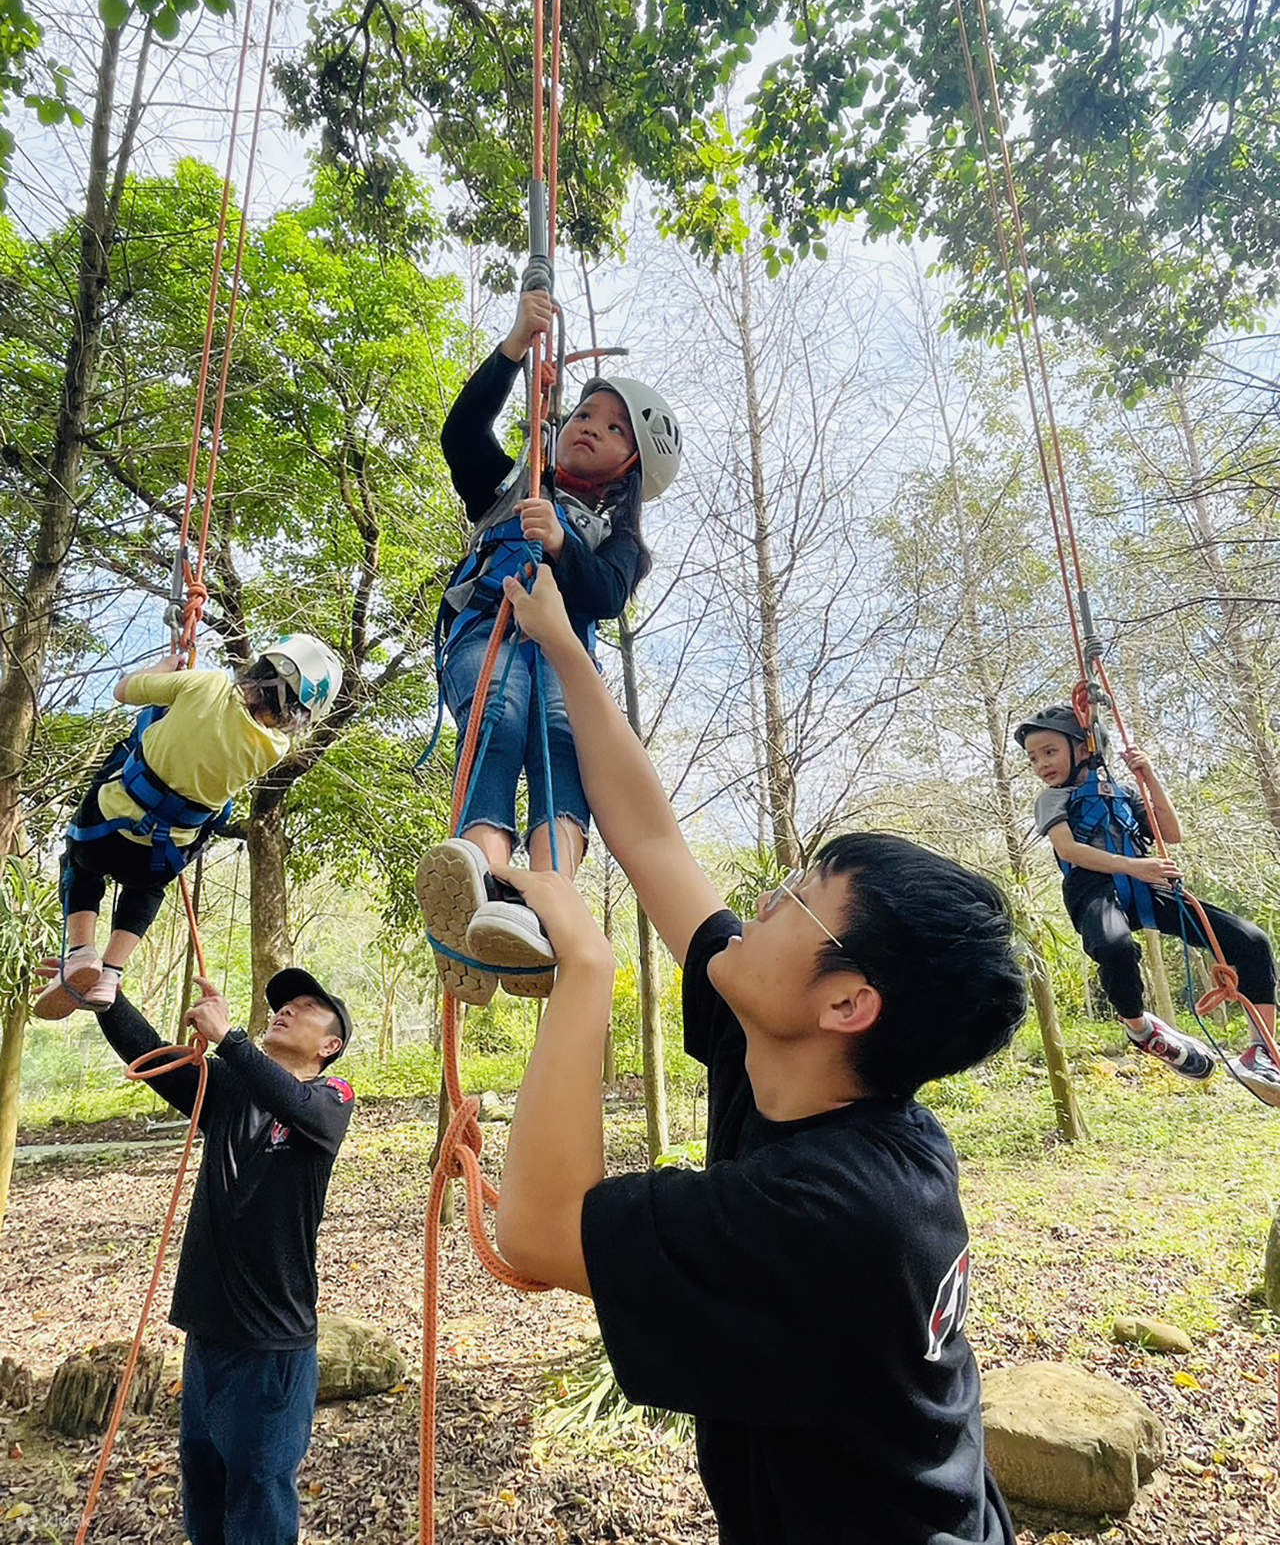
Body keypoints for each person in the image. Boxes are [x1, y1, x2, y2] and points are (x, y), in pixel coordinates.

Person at [420, 564, 1025, 1545]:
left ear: (846, 1000)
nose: (764, 896)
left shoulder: (837, 1211)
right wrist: (564, 644)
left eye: (796, 894)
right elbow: (651, 837)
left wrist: (585, 967)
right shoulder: (796, 1062)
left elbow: (538, 1231)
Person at [418, 287, 681, 1001]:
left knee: (563, 753)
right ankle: (479, 876)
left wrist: (562, 543)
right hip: (490, 634)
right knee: (497, 718)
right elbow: (462, 435)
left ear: (632, 466)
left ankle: (541, 905)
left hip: (564, 657)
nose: (591, 426)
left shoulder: (617, 540)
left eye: (615, 428)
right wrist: (512, 347)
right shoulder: (510, 486)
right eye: (586, 413)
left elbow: (604, 596)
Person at [94, 964, 354, 1545]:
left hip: (272, 1346)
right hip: (207, 1333)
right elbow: (156, 1056)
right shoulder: (230, 1089)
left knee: (259, 1495)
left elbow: (299, 1108)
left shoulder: (330, 1097)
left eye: (307, 1006)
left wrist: (233, 1040)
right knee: (205, 1491)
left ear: (330, 1045)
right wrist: (106, 996)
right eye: (283, 1004)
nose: (285, 1010)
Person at [34, 634, 343, 1019]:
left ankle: (81, 952)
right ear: (299, 714)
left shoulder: (208, 684)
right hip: (160, 856)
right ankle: (110, 973)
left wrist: (164, 670)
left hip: (104, 831)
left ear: (264, 667)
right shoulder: (273, 748)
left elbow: (124, 690)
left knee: (79, 866)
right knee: (146, 889)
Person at [1015, 704, 1280, 1102]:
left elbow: (1171, 833)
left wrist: (1149, 776)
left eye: (1049, 751)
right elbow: (1069, 850)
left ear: (1085, 747)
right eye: (1034, 757)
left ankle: (1263, 1050)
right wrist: (1134, 866)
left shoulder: (1121, 794)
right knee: (1115, 947)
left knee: (1252, 941)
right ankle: (1141, 1029)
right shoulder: (1053, 799)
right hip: (1095, 889)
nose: (1040, 764)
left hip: (1148, 883)